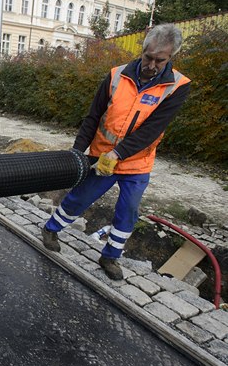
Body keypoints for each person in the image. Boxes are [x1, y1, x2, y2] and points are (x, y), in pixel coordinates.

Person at [41, 23, 191, 281]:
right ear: (142, 50)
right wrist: (78, 151)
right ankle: (51, 229)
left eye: (160, 60)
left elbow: (152, 130)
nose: (152, 65)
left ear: (171, 57)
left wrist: (119, 153)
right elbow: (93, 116)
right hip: (102, 158)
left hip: (138, 163)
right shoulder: (116, 75)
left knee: (128, 211)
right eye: (149, 57)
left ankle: (110, 256)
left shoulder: (176, 86)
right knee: (80, 198)